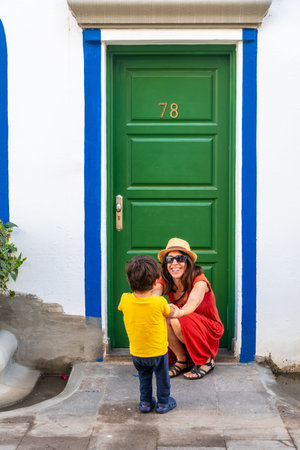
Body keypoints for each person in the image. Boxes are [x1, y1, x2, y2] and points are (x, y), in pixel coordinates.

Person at [152, 237, 224, 380]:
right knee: (161, 316)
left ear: (188, 262)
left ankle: (206, 361)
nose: (174, 263)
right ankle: (182, 359)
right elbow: (154, 295)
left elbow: (194, 301)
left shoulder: (199, 280)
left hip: (208, 329)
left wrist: (180, 312)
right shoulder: (166, 279)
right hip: (183, 324)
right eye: (169, 259)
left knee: (176, 318)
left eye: (180, 258)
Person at [118, 255, 177, 414]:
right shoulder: (160, 302)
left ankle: (145, 403)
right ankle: (163, 403)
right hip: (158, 351)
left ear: (130, 281)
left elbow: (126, 307)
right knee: (162, 377)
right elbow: (168, 312)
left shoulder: (125, 299)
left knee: (144, 377)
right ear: (155, 282)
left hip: (137, 352)